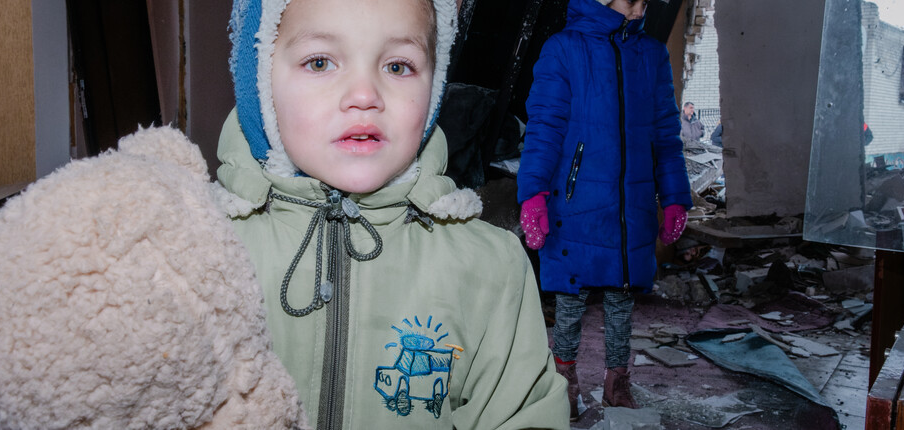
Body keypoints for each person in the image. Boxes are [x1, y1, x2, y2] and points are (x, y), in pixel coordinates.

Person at [220, 0, 569, 428]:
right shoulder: (201, 254)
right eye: (320, 62)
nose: (365, 95)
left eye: (398, 66)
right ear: (260, 83)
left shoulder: (491, 267)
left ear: (435, 83)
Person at [517, 0, 692, 419]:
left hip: (631, 202)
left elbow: (666, 135)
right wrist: (533, 192)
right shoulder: (564, 49)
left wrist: (674, 196)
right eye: (633, 1)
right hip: (576, 198)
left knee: (622, 294)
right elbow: (544, 127)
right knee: (571, 298)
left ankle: (617, 380)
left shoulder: (650, 54)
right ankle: (564, 380)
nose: (640, 8)